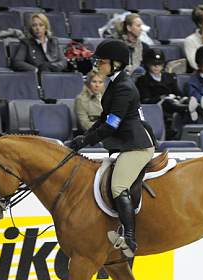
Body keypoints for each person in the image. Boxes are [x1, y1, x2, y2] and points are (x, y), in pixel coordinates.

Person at [68, 40, 157, 259]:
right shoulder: (115, 83)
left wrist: (86, 141)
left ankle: (129, 237)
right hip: (126, 143)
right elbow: (103, 118)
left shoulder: (124, 88)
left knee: (118, 186)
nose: (97, 64)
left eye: (102, 61)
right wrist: (84, 136)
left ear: (116, 64)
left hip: (137, 145)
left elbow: (111, 125)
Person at [136, 48, 188, 137]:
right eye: (153, 64)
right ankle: (186, 109)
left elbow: (178, 92)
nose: (157, 67)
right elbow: (145, 100)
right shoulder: (143, 80)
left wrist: (178, 98)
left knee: (185, 100)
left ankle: (191, 107)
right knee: (167, 103)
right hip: (157, 106)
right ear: (148, 64)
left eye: (159, 64)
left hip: (174, 101)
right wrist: (162, 98)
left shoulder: (169, 77)